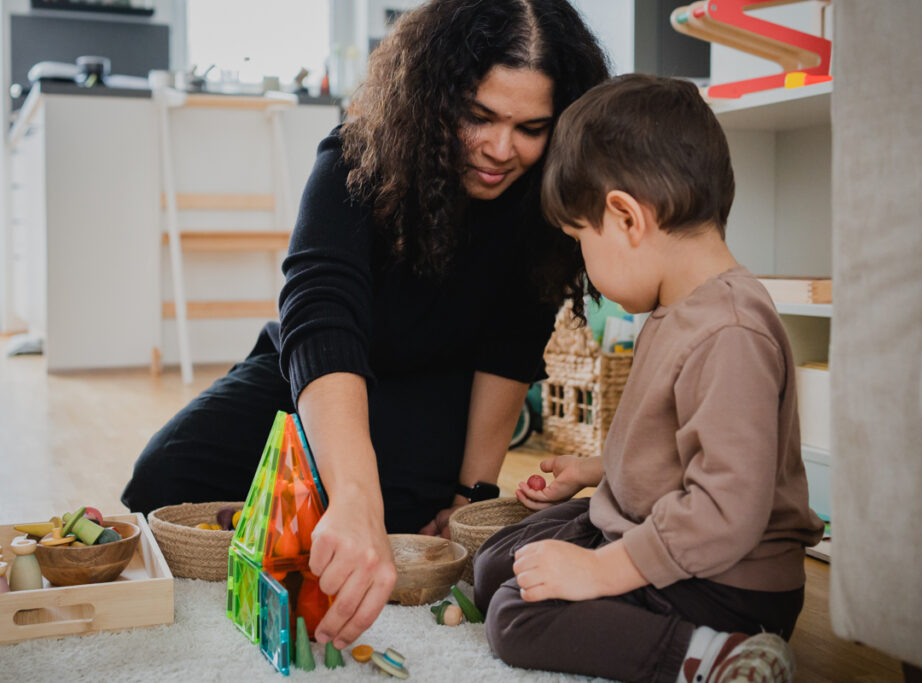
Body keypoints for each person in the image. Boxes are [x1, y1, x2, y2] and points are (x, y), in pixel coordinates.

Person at [121, 0, 608, 649]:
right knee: (161, 482)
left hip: (436, 389)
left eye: (530, 127)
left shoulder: (541, 198)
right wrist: (352, 495)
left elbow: (510, 348)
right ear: (435, 98)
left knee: (406, 522)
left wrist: (472, 492)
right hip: (316, 370)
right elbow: (319, 315)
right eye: (480, 117)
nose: (500, 148)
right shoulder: (359, 152)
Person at [473, 74, 825, 683]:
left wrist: (598, 573)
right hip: (670, 536)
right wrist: (599, 471)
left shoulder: (729, 332)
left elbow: (723, 511)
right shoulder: (676, 306)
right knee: (496, 565)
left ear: (627, 219)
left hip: (725, 583)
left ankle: (716, 658)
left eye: (581, 240)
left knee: (515, 617)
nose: (583, 261)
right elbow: (683, 452)